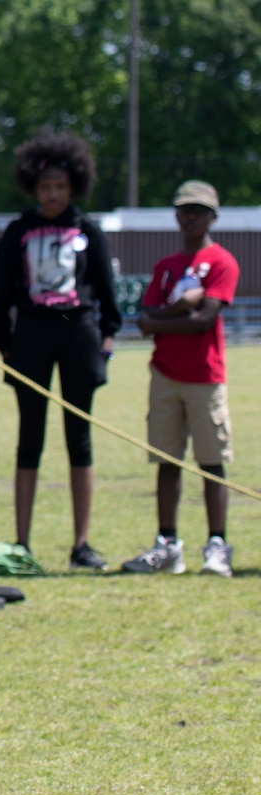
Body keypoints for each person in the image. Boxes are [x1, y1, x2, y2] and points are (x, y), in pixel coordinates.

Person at [0, 131, 122, 571]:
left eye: (61, 187)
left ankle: (81, 544)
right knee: (30, 439)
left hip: (78, 334)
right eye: (46, 187)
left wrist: (106, 340)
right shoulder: (18, 231)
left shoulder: (87, 229)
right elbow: (2, 293)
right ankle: (22, 542)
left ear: (74, 185)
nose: (53, 195)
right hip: (31, 337)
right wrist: (6, 345)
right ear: (33, 187)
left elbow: (106, 292)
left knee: (78, 440)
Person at [122, 180, 240, 578]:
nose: (191, 217)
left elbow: (206, 319)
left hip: (205, 376)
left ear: (212, 216)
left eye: (199, 211)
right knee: (167, 461)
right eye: (185, 210)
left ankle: (217, 544)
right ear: (177, 215)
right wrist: (182, 305)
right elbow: (144, 320)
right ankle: (168, 544)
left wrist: (167, 317)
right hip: (164, 374)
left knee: (212, 463)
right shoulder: (166, 266)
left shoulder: (222, 261)